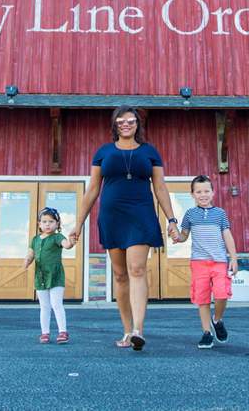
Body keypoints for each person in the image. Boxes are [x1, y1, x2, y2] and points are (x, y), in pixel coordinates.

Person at [69, 105, 179, 351]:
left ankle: (139, 330)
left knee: (137, 269)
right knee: (120, 275)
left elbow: (160, 188)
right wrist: (77, 224)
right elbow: (92, 190)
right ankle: (127, 330)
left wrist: (172, 220)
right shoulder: (103, 152)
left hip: (140, 214)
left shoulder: (150, 152)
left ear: (137, 124)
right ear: (115, 125)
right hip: (112, 215)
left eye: (131, 120)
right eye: (121, 121)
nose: (126, 124)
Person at [174, 175, 238, 349]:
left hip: (219, 261)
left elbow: (227, 235)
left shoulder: (220, 214)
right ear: (192, 194)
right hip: (199, 262)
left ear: (213, 192)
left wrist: (233, 257)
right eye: (199, 192)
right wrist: (177, 238)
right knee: (202, 298)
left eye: (206, 191)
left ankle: (217, 319)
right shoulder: (190, 214)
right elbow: (184, 235)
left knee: (222, 293)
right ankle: (206, 333)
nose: (203, 195)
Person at [24, 207, 75, 344]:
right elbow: (31, 253)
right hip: (40, 275)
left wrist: (71, 242)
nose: (47, 224)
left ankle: (63, 332)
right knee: (44, 306)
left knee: (56, 304)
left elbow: (66, 245)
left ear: (57, 224)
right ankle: (45, 333)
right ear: (39, 224)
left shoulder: (58, 237)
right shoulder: (35, 239)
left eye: (51, 221)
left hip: (55, 275)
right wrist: (27, 261)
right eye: (44, 221)